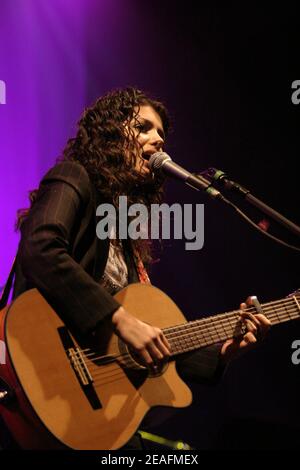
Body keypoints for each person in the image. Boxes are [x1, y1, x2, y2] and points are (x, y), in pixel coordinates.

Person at [8, 87, 270, 449]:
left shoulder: (126, 229)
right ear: (112, 133)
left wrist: (225, 351)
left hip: (100, 413)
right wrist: (120, 319)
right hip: (40, 377)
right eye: (144, 127)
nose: (157, 139)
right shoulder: (73, 175)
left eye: (161, 133)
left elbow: (148, 345)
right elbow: (41, 248)